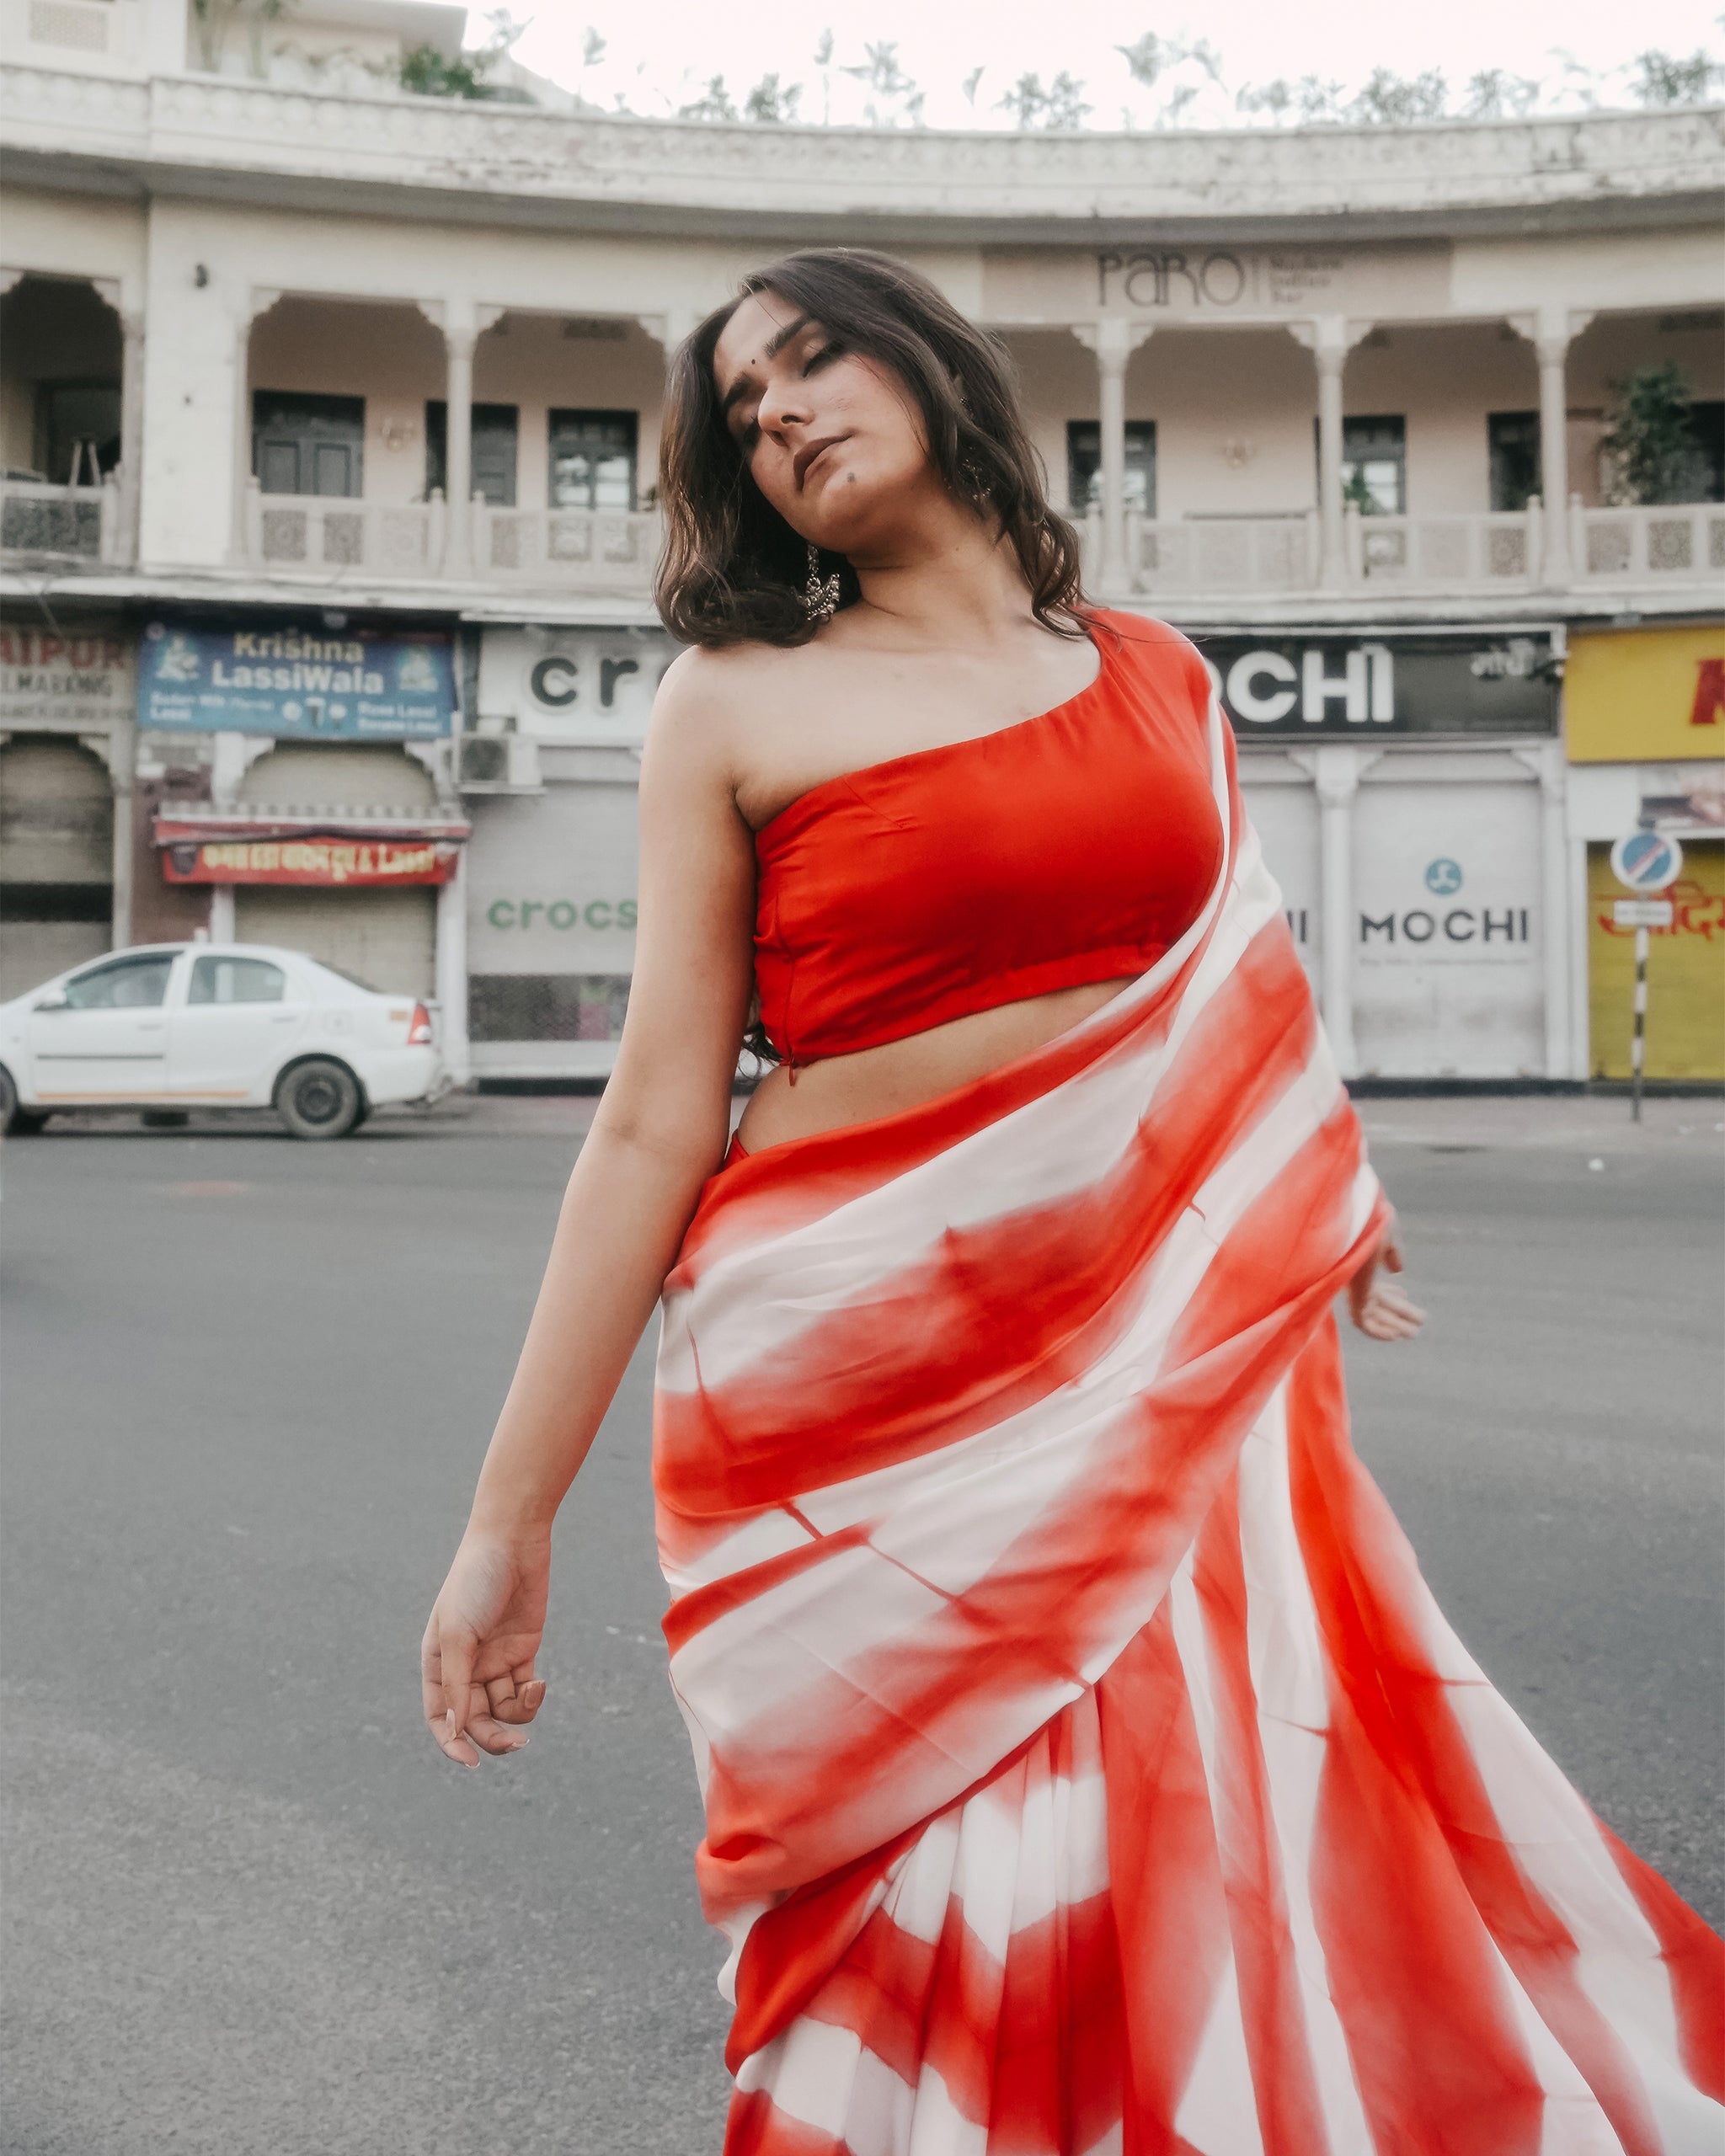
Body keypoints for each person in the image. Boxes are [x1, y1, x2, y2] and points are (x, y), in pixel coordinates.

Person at [423, 249, 1722, 2152]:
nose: (777, 406)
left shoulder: (1159, 672)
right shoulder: (735, 699)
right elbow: (645, 1120)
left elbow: (1235, 994)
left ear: (930, 364)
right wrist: (504, 1518)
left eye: (811, 355)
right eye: (741, 405)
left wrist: (1310, 1189)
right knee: (941, 1889)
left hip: (1161, 1369)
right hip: (848, 1393)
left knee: (1197, 1829)